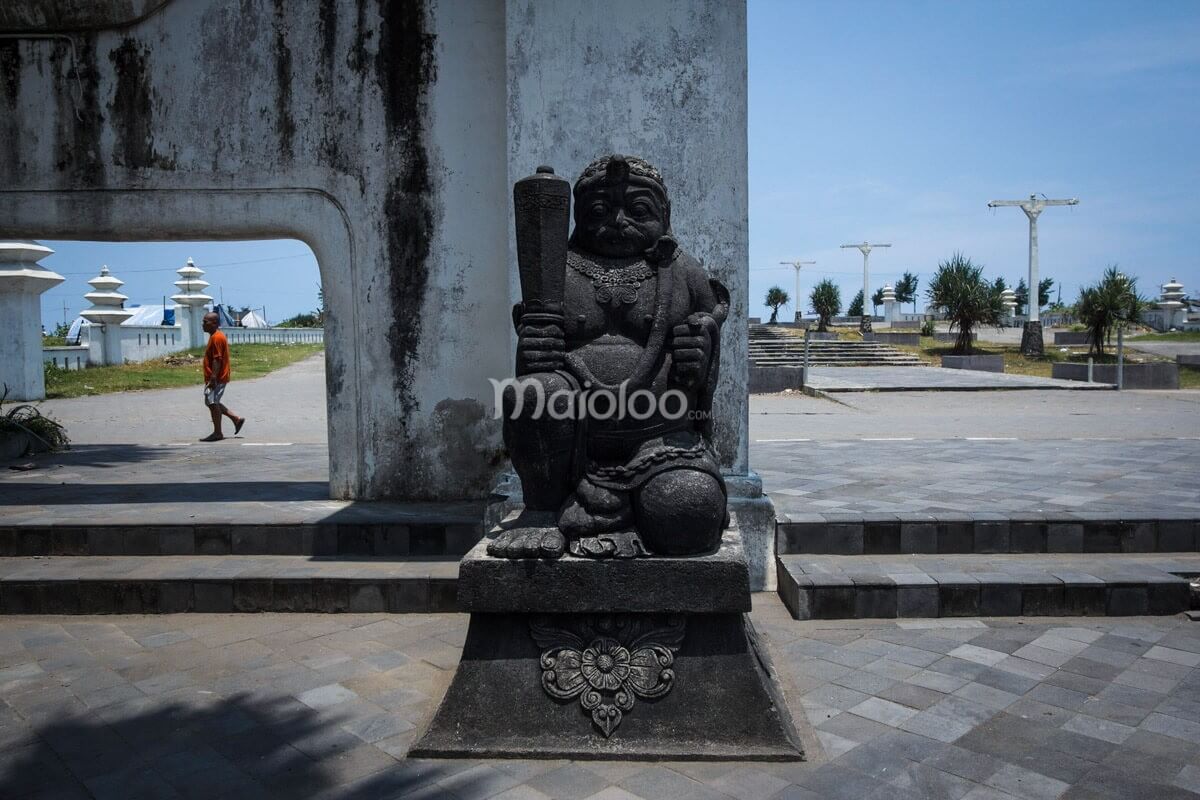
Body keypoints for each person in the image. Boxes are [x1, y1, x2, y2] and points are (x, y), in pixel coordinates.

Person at [199, 311, 246, 442]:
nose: (203, 324)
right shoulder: (214, 336)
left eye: (205, 322)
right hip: (216, 377)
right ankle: (236, 419)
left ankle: (218, 433)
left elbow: (217, 359)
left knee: (212, 403)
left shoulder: (217, 338)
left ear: (214, 323)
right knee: (213, 402)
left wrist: (213, 378)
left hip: (217, 378)